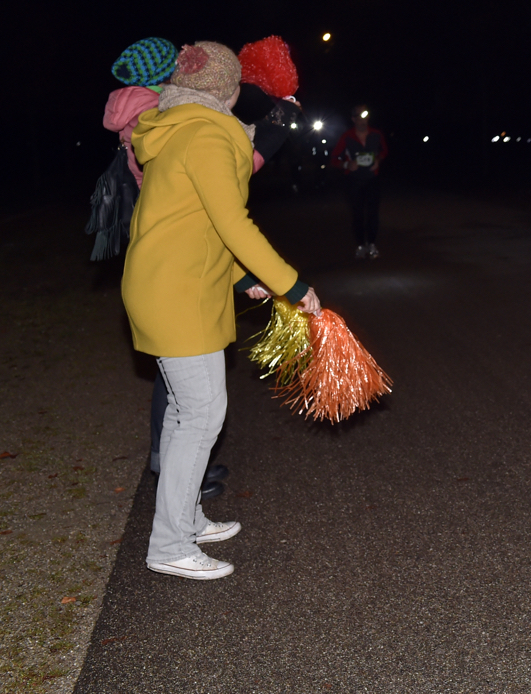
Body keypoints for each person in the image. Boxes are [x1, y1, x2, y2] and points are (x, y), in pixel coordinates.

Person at [122, 41, 321, 580]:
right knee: (202, 415)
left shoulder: (177, 128)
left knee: (187, 415)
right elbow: (232, 222)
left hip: (172, 284)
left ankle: (184, 518)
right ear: (229, 91)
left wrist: (242, 278)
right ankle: (169, 545)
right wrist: (290, 285)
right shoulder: (209, 133)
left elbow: (189, 220)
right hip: (176, 292)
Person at [331, 105, 388, 259]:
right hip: (354, 181)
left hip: (372, 179)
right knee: (357, 215)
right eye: (359, 117)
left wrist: (378, 159)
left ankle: (372, 244)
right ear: (353, 119)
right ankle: (360, 245)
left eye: (365, 117)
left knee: (373, 214)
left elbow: (384, 151)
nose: (363, 120)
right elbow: (334, 158)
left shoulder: (376, 134)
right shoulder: (347, 137)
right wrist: (347, 164)